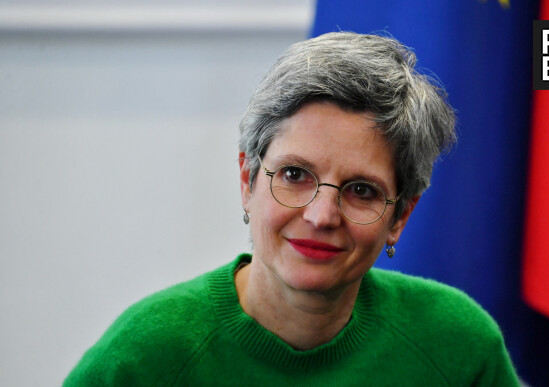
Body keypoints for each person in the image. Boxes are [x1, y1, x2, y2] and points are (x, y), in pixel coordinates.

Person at [64, 32, 519, 386]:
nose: (322, 216)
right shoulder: (145, 357)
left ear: (400, 217)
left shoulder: (458, 348)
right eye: (295, 175)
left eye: (361, 190)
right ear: (248, 181)